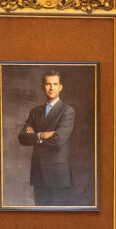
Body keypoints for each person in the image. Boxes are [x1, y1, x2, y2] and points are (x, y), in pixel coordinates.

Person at [17, 69, 76, 207]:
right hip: (38, 173)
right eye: (48, 84)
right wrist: (42, 134)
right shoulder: (35, 112)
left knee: (59, 220)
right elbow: (22, 137)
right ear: (42, 87)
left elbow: (58, 141)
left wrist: (35, 136)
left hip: (58, 175)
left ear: (60, 87)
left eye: (55, 84)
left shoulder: (67, 111)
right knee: (40, 218)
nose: (51, 87)